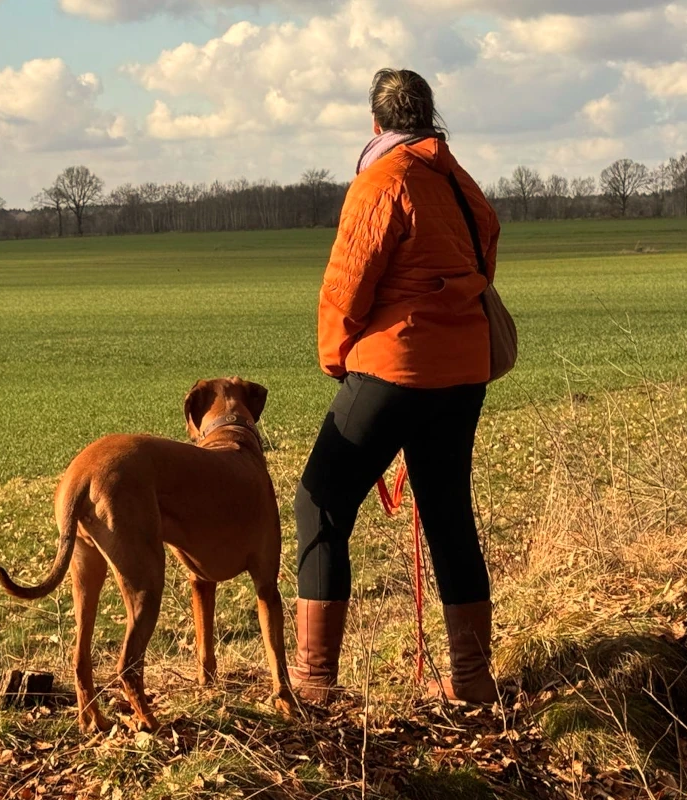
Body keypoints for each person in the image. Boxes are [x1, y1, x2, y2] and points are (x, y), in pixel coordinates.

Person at [290, 68, 501, 704]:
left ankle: (315, 685)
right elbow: (486, 253)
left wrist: (336, 358)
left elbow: (347, 284)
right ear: (429, 117)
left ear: (377, 124)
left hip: (394, 368)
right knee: (448, 513)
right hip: (464, 370)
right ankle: (472, 682)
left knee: (319, 504)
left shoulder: (380, 181)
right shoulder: (457, 179)